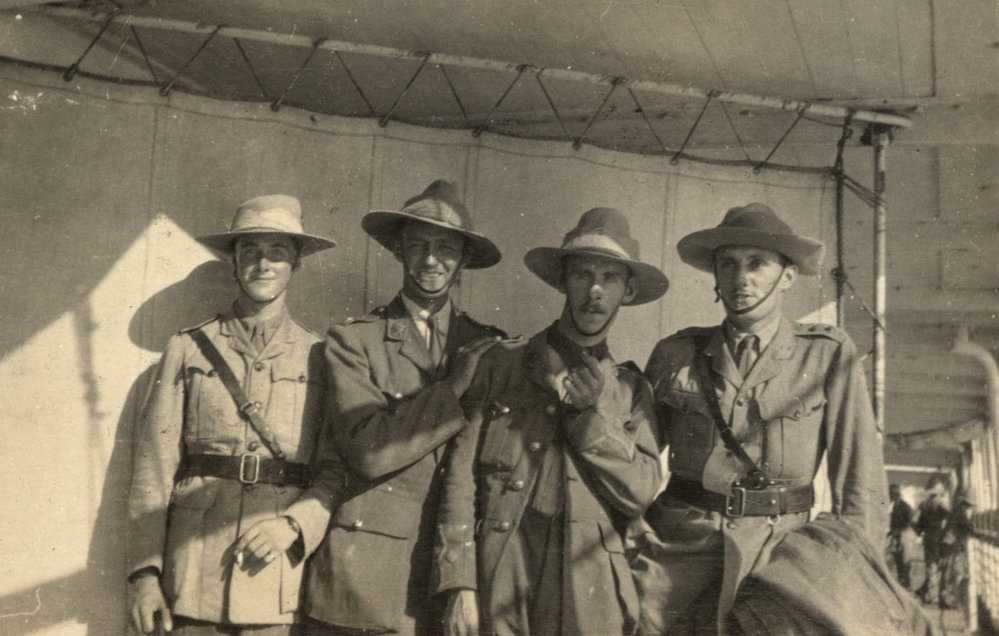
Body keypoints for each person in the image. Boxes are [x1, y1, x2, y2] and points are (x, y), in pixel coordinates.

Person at [640, 203, 888, 634]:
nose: (742, 278)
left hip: (778, 560)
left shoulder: (826, 355)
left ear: (788, 276)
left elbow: (861, 485)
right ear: (715, 276)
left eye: (758, 264)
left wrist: (851, 580)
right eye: (728, 264)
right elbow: (634, 463)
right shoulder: (676, 355)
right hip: (677, 557)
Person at [435, 207, 666, 635]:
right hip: (503, 568)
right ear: (563, 280)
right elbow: (459, 479)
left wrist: (589, 418)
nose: (594, 291)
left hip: (589, 586)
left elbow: (640, 492)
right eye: (582, 275)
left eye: (610, 279)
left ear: (628, 292)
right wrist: (458, 581)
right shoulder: (500, 364)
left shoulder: (632, 391)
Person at [300, 180, 505, 635]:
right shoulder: (355, 340)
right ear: (397, 250)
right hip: (364, 583)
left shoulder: (487, 347)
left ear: (465, 258)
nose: (431, 260)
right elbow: (368, 451)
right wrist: (452, 389)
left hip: (451, 581)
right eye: (417, 245)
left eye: (446, 247)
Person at [126, 195, 336, 634]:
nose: (263, 264)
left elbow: (334, 468)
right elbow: (153, 468)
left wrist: (295, 525)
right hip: (192, 577)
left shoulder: (320, 357)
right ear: (233, 262)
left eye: (277, 252)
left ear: (296, 262)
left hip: (274, 577)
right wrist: (145, 576)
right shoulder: (187, 348)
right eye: (250, 251)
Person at [915, 476, 951, 607]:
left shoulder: (924, 504)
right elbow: (950, 517)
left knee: (930, 565)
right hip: (938, 537)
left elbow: (916, 522)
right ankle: (934, 596)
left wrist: (920, 533)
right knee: (940, 565)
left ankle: (930, 594)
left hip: (928, 537)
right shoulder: (941, 503)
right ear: (938, 488)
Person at [888, 483, 915, 589]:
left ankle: (907, 584)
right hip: (897, 536)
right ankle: (902, 582)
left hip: (904, 536)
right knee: (898, 559)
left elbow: (911, 522)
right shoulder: (895, 506)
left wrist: (898, 531)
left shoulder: (905, 507)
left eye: (892, 495)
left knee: (904, 560)